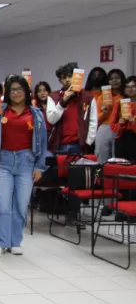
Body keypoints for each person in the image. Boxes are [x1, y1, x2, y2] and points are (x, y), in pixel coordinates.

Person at [0, 75, 47, 258]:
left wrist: (39, 167)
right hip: (3, 162)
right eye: (12, 90)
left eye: (19, 89)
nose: (16, 93)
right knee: (2, 203)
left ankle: (15, 241)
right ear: (7, 92)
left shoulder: (36, 114)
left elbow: (43, 142)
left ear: (26, 92)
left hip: (26, 162)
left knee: (21, 205)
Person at [46, 62, 97, 222]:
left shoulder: (88, 97)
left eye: (70, 76)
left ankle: (73, 214)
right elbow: (51, 119)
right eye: (63, 78)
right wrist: (64, 101)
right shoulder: (54, 96)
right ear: (60, 81)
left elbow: (93, 122)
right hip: (59, 145)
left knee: (76, 181)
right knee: (61, 180)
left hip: (78, 145)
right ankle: (60, 208)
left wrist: (87, 142)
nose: (67, 80)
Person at [96, 68, 126, 162]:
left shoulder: (126, 96)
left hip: (121, 128)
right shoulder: (102, 97)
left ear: (122, 79)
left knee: (118, 158)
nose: (114, 81)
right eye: (111, 79)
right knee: (102, 156)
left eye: (117, 78)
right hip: (104, 128)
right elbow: (97, 119)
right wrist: (104, 113)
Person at [113, 76, 136, 162]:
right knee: (121, 166)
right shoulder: (119, 103)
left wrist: (134, 123)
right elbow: (112, 126)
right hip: (122, 138)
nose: (130, 89)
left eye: (133, 86)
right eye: (127, 87)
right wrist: (120, 124)